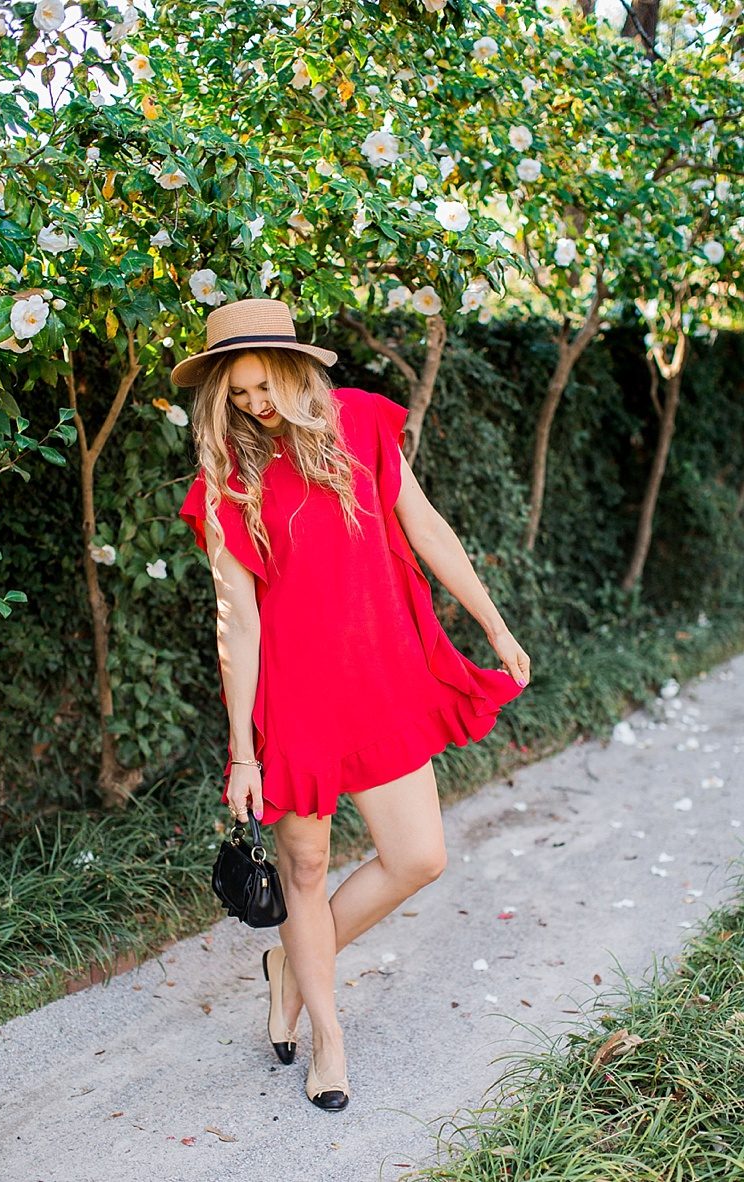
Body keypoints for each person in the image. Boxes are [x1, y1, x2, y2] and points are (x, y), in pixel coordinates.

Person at [173, 297, 531, 1112]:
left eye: (266, 385)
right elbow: (238, 616)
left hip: (380, 680)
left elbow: (429, 530)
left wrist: (495, 626)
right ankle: (328, 1036)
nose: (256, 406)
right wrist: (242, 751)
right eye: (238, 394)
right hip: (294, 701)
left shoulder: (364, 425)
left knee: (419, 858)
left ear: (299, 369)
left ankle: (288, 966)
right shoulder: (229, 476)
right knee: (303, 870)